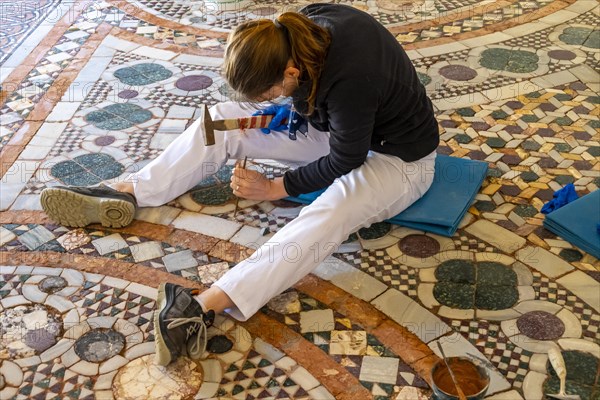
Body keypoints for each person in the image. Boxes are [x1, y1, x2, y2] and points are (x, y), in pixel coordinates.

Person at [40, 3, 439, 366]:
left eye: (272, 90)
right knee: (222, 121)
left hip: (396, 158)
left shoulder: (352, 77)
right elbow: (320, 111)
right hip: (339, 125)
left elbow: (344, 159)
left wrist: (275, 187)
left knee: (329, 211)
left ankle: (205, 306)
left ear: (291, 72)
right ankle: (130, 192)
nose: (270, 99)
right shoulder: (298, 29)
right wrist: (288, 108)